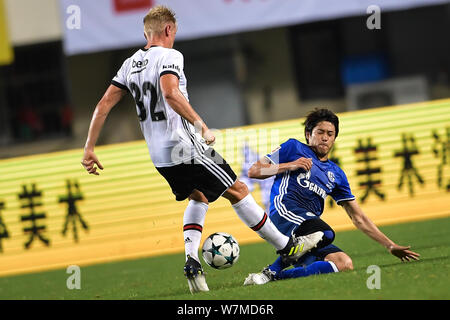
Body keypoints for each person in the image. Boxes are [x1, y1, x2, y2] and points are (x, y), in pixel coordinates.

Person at [80, 5, 312, 294]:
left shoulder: (129, 64)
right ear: (168, 30)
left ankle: (192, 261)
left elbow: (104, 104)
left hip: (160, 157)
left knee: (198, 196)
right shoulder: (170, 55)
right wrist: (201, 124)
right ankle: (288, 246)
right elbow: (170, 92)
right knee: (238, 190)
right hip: (185, 147)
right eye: (174, 32)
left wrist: (89, 147)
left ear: (144, 33)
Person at [243, 108, 420, 285]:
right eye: (320, 132)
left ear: (334, 138)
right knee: (324, 232)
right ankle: (273, 269)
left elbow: (357, 216)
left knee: (343, 263)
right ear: (308, 134)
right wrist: (290, 165)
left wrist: (389, 245)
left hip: (308, 234)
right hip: (283, 213)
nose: (325, 138)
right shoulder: (293, 147)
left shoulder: (336, 174)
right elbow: (254, 171)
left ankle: (271, 277)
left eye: (330, 134)